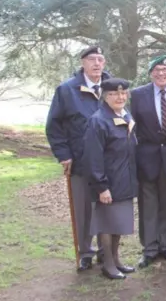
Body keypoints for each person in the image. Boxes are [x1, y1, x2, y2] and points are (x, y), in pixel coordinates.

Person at [45, 45, 111, 271]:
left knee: (106, 206)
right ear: (82, 63)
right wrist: (63, 154)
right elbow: (54, 126)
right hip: (80, 160)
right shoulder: (67, 90)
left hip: (108, 161)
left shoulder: (112, 88)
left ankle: (106, 251)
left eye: (100, 59)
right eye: (92, 59)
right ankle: (85, 253)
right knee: (83, 209)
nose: (97, 64)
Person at [130, 56, 166, 268]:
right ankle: (149, 248)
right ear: (151, 73)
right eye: (157, 70)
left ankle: (164, 244)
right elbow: (132, 128)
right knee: (148, 205)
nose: (161, 73)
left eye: (165, 69)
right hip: (147, 158)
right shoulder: (137, 95)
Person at [82, 78, 138, 280]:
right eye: (114, 94)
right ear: (105, 97)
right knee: (106, 224)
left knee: (118, 223)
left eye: (123, 93)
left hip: (125, 179)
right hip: (108, 182)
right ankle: (107, 264)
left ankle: (116, 260)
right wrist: (101, 186)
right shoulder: (98, 120)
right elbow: (93, 157)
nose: (120, 97)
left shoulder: (125, 115)